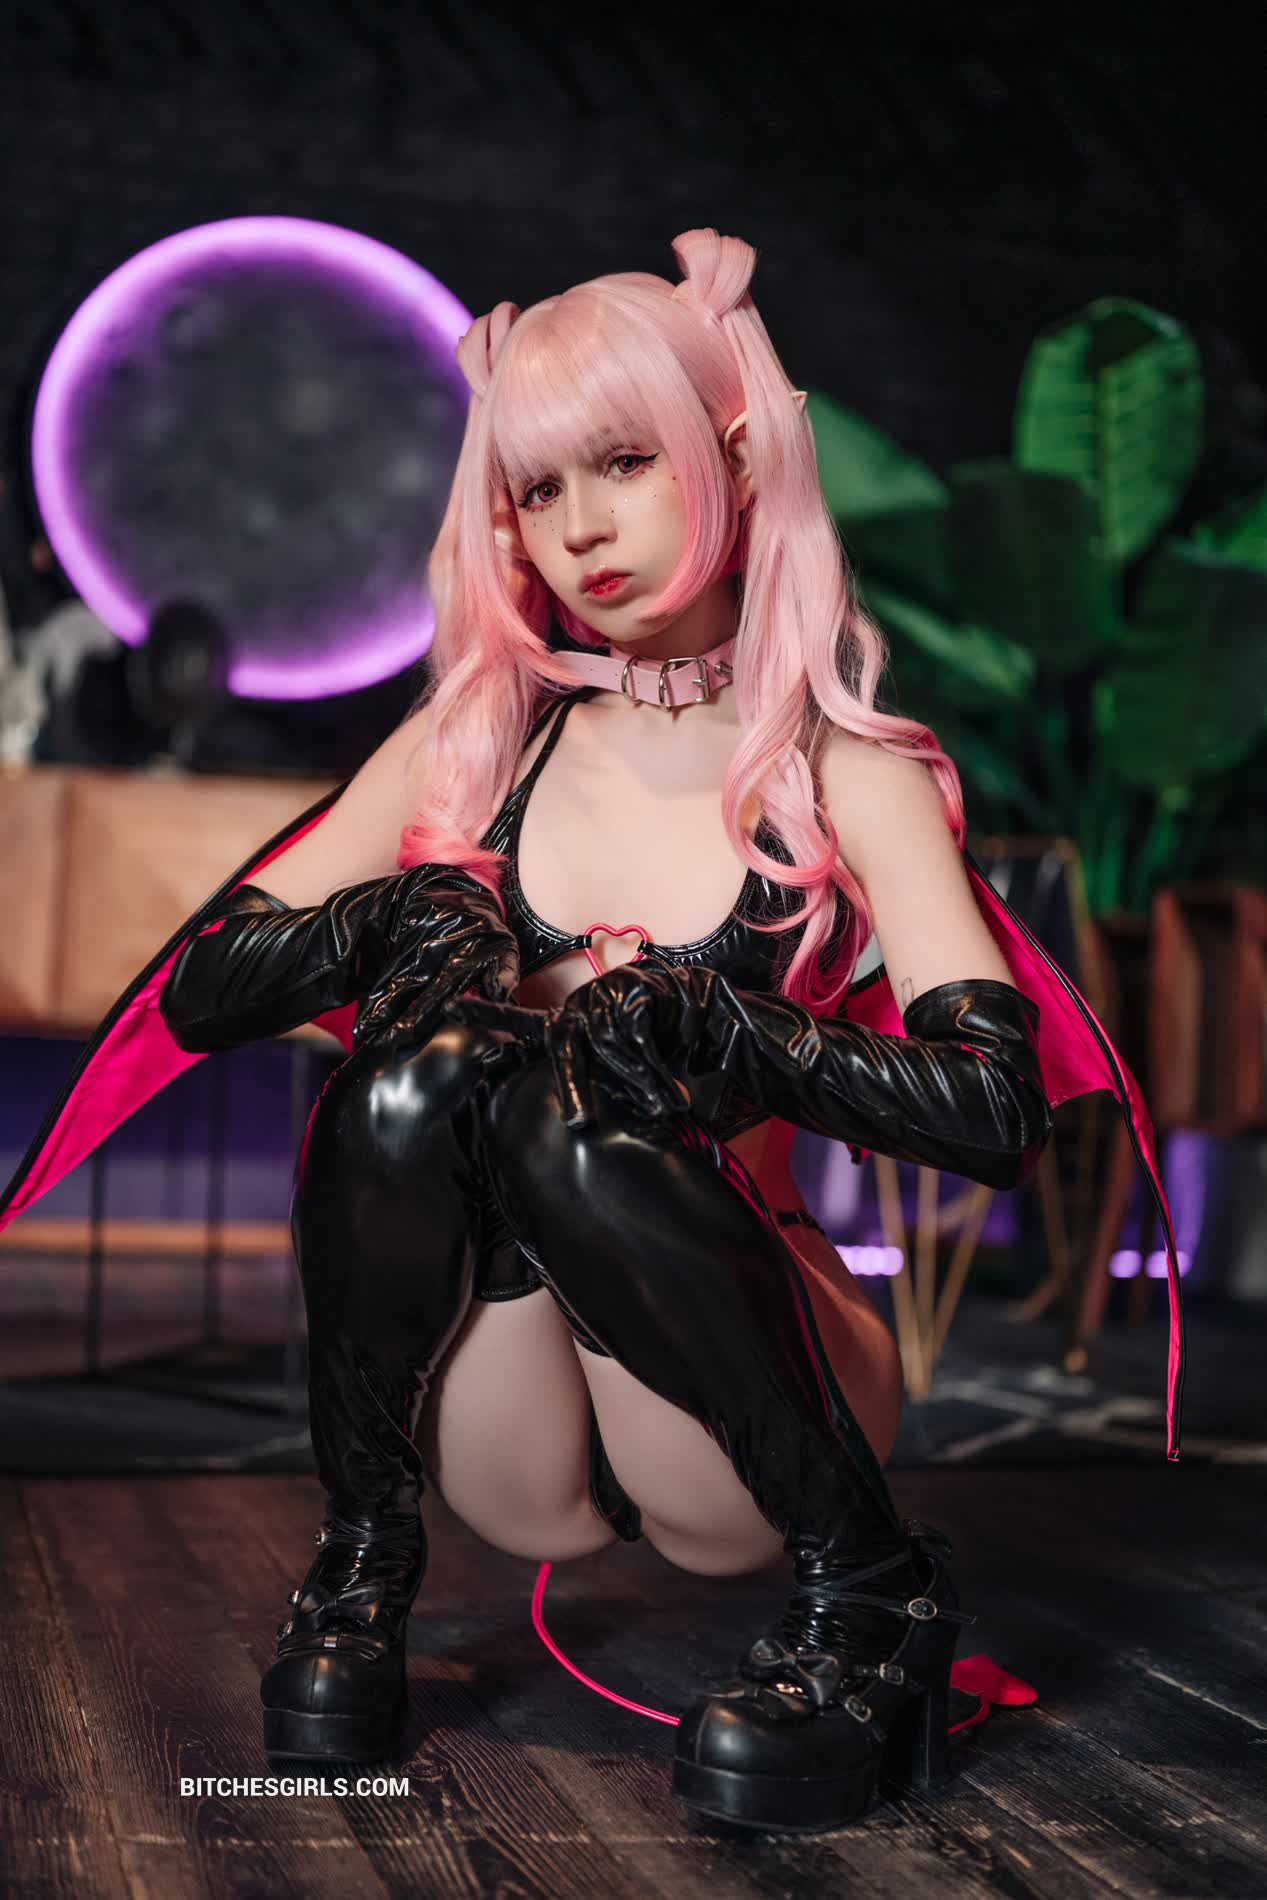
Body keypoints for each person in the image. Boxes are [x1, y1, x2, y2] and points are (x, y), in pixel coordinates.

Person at [0, 228, 1184, 1836]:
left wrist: (725, 1034)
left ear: (735, 460)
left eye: (625, 462)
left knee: (580, 1104)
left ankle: (875, 1592)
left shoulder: (847, 774)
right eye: (537, 489)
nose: (581, 527)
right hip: (509, 1429)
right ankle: (358, 1566)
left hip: (749, 1414)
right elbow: (204, 987)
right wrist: (384, 923)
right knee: (421, 1077)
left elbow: (996, 1111)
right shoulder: (479, 746)